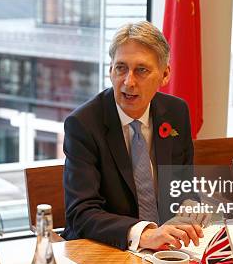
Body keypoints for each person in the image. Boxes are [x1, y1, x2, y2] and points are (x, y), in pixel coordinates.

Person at [62, 21, 206, 251]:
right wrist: (145, 234)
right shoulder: (83, 124)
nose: (128, 82)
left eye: (141, 70)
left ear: (165, 74)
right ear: (110, 70)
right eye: (121, 68)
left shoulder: (176, 112)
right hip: (108, 249)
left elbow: (182, 184)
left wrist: (190, 207)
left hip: (167, 249)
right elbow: (81, 213)